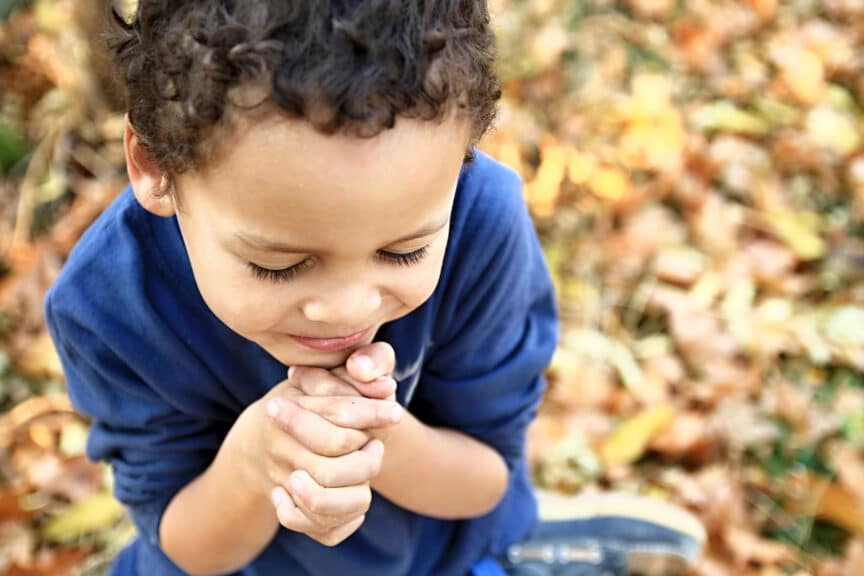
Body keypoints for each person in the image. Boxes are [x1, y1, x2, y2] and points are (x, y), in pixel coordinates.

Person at [44, 2, 704, 575]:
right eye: (279, 265)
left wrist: (373, 436)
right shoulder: (111, 304)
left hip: (437, 548)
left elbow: (484, 481)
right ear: (155, 167)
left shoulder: (484, 224)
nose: (349, 307)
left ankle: (523, 552)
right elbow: (188, 550)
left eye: (405, 250)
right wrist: (259, 460)